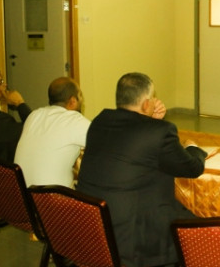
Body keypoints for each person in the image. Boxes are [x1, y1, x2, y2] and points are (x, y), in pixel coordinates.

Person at [77, 72, 207, 267]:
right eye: (153, 97)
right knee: (204, 230)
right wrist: (193, 148)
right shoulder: (160, 132)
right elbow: (191, 168)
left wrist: (152, 121)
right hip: (134, 237)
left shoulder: (99, 122)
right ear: (146, 104)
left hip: (93, 228)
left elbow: (135, 144)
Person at [14, 77, 89, 188]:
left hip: (21, 194)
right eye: (80, 96)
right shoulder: (74, 119)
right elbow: (108, 145)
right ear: (73, 101)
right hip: (51, 196)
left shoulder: (34, 116)